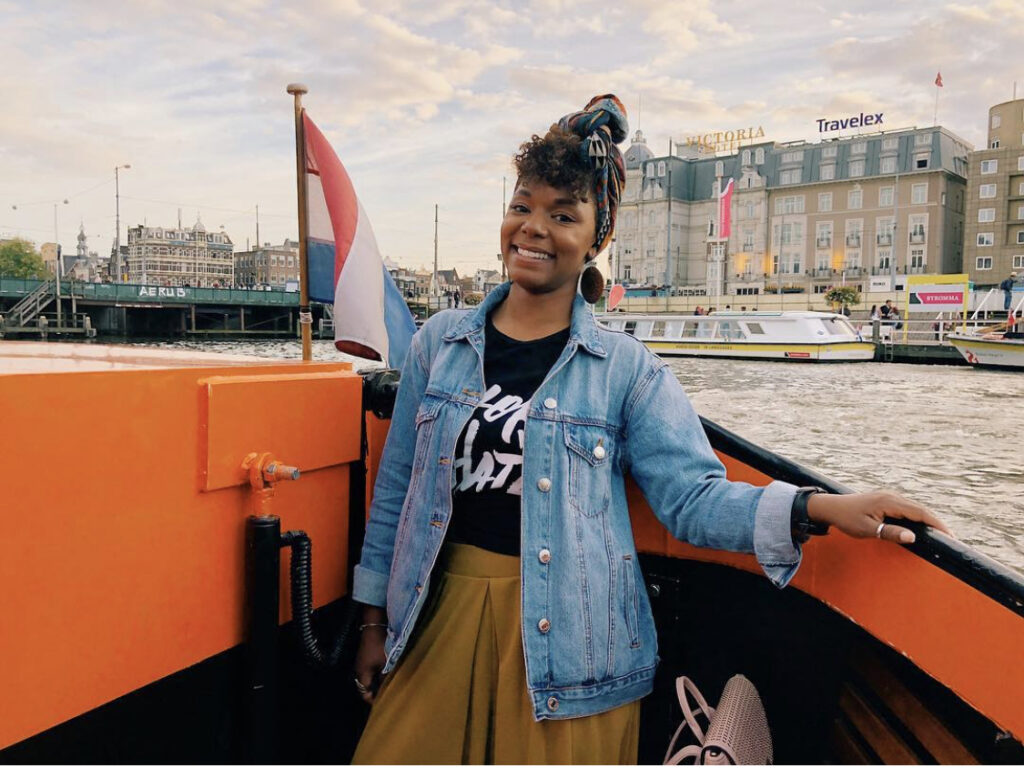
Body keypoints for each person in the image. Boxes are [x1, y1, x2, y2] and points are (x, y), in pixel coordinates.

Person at [350, 95, 949, 765]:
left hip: (575, 648)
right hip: (436, 613)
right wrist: (373, 619)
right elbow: (397, 487)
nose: (533, 229)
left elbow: (692, 499)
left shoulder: (626, 370)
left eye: (562, 215)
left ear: (597, 237)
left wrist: (821, 507)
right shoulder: (440, 343)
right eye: (522, 206)